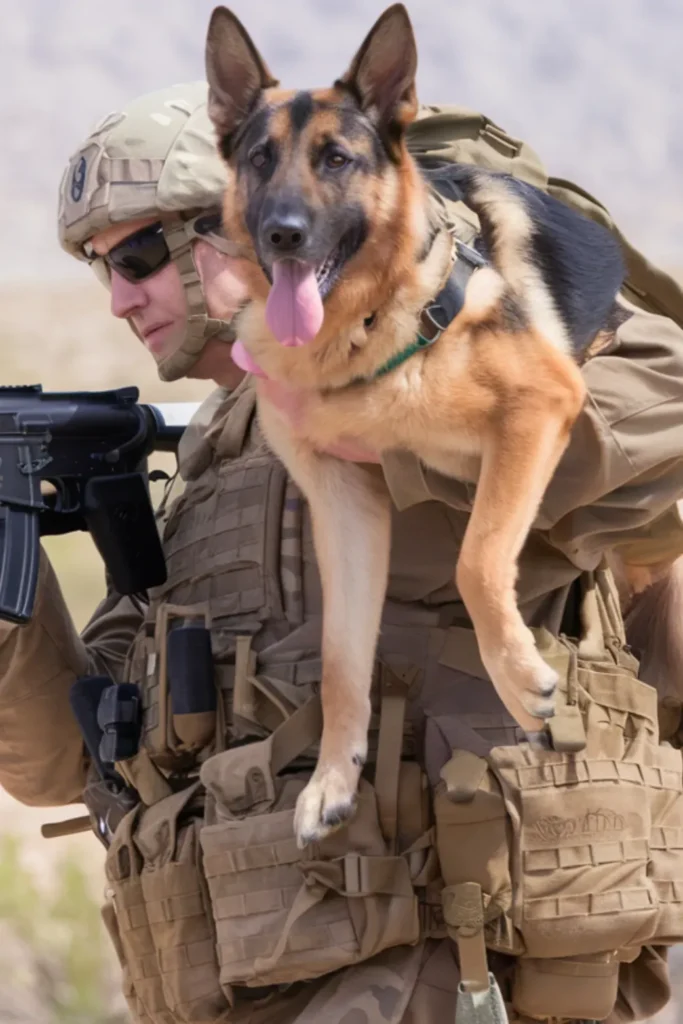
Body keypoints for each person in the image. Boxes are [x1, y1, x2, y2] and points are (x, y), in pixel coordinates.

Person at [1, 79, 683, 1024]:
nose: (120, 298)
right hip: (253, 976)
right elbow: (68, 767)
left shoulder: (434, 343)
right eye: (99, 269)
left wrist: (406, 446)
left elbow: (662, 423)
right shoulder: (204, 478)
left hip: (449, 958)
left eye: (142, 254)